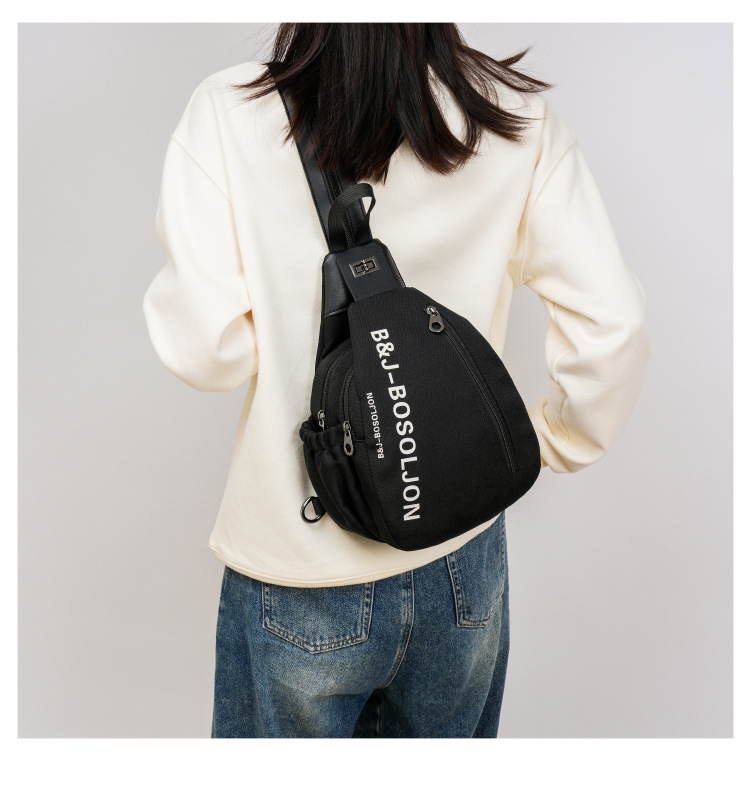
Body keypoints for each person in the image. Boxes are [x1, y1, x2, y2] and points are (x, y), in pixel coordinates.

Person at [143, 23, 650, 738]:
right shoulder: (514, 115)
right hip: (459, 552)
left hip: (301, 555)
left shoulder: (230, 111)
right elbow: (613, 325)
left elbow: (207, 354)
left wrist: (291, 326)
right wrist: (544, 442)